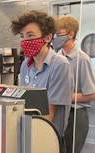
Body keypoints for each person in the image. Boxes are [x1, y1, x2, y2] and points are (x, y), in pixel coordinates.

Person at [11, 10, 73, 138]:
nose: (25, 41)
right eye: (22, 36)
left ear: (48, 38)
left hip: (49, 139)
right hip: (29, 134)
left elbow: (48, 114)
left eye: (30, 35)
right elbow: (23, 104)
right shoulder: (26, 65)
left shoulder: (59, 65)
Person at [53, 16, 95, 153]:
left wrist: (64, 97)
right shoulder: (57, 57)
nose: (55, 37)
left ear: (70, 34)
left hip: (75, 115)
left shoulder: (82, 59)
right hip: (60, 112)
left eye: (59, 33)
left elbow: (91, 93)